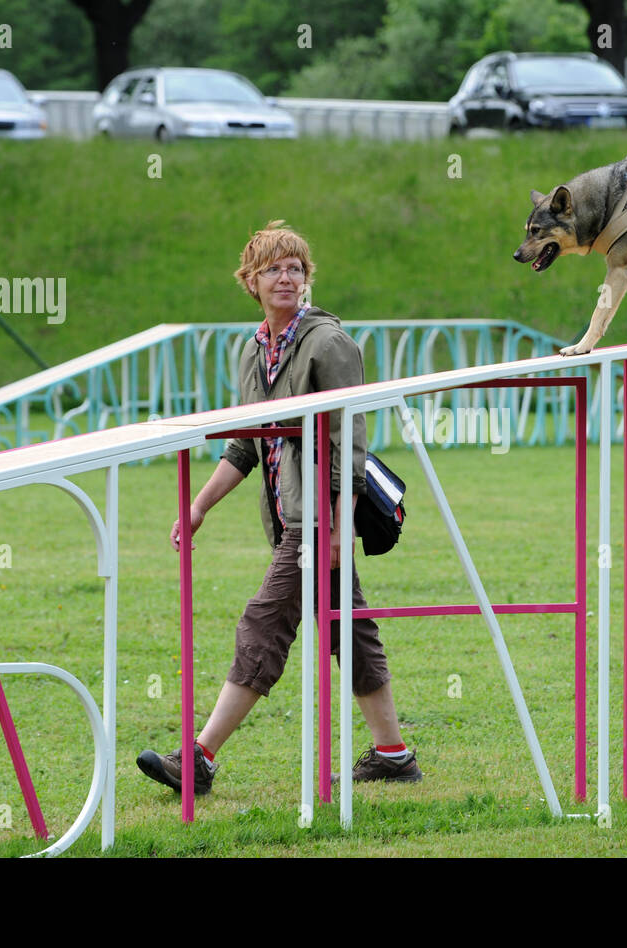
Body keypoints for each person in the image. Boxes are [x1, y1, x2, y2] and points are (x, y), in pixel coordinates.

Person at [136, 220, 420, 794]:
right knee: (350, 631)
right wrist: (199, 507)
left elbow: (349, 440)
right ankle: (393, 755)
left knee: (263, 624)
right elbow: (245, 442)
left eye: (295, 268)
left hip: (318, 517)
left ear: (306, 279)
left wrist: (337, 524)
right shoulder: (254, 348)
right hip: (289, 514)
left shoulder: (328, 344)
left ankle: (200, 758)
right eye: (274, 269)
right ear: (252, 281)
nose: (286, 277)